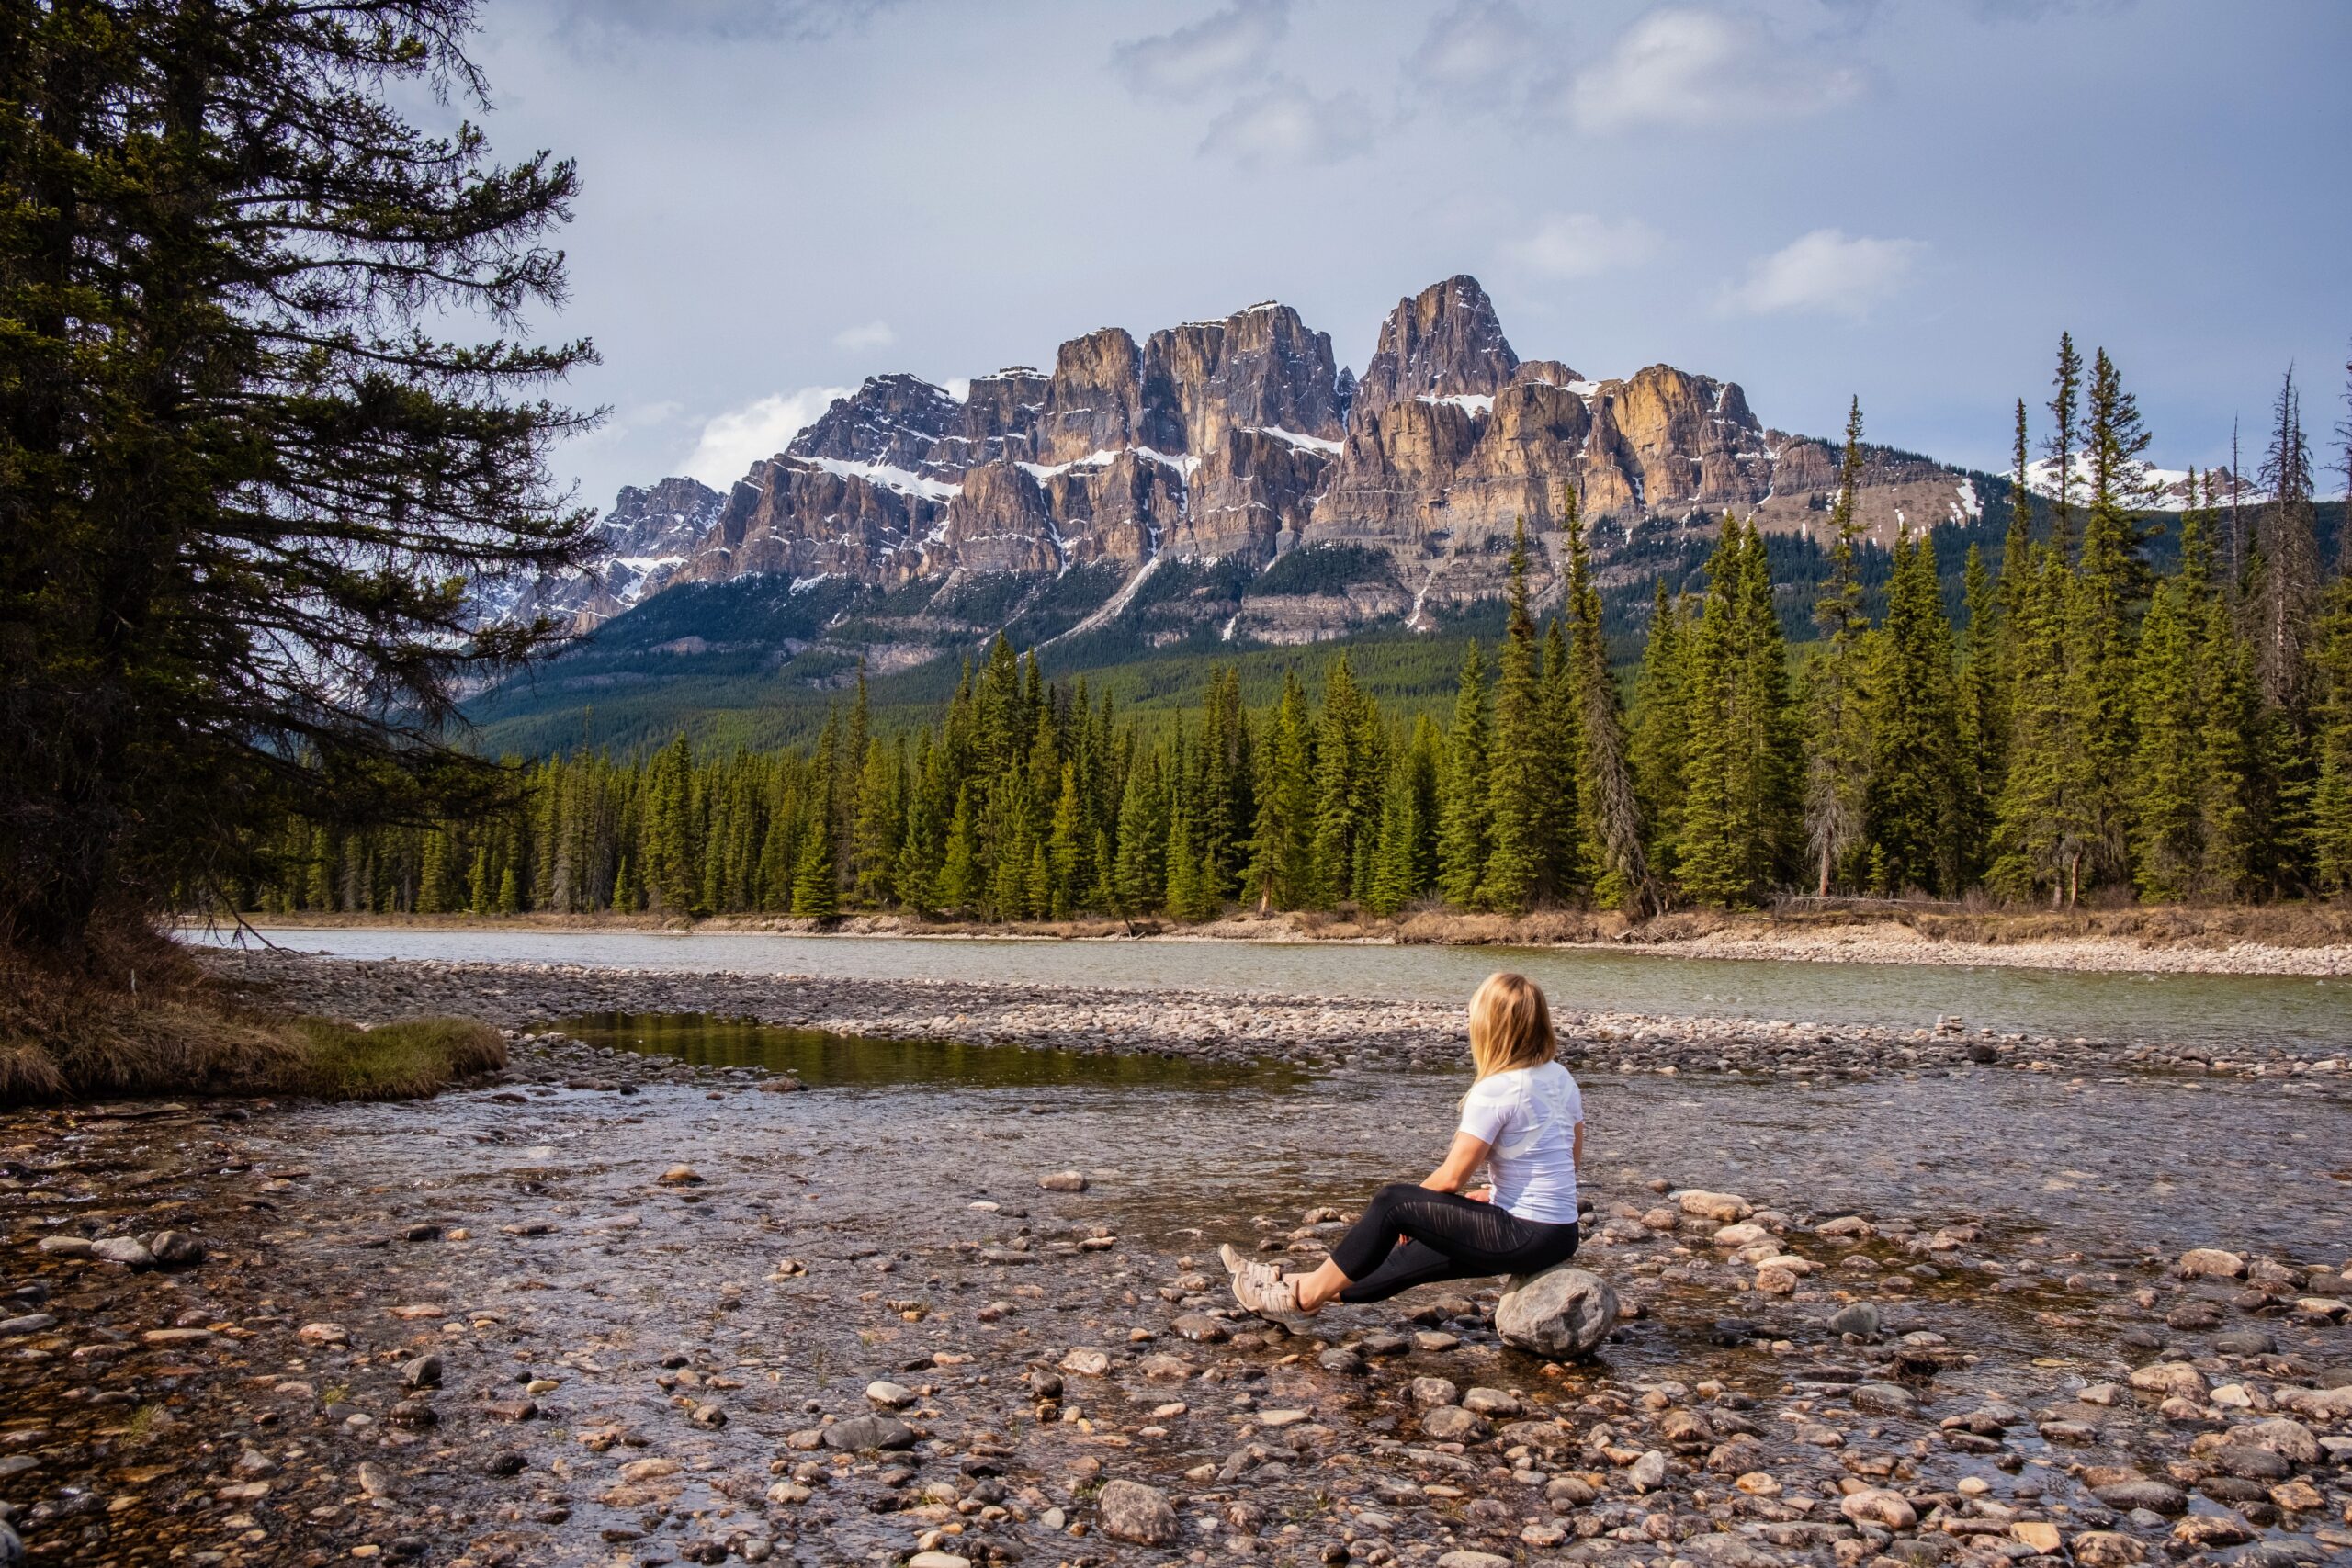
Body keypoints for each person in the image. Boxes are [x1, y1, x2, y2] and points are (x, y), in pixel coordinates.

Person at [1225, 971, 1583, 1318]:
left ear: (1490, 1027)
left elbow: (1450, 1179)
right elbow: (1570, 1160)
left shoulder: (1497, 1089)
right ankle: (1286, 1284)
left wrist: (1406, 1218)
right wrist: (1495, 1192)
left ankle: (1299, 1300)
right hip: (1560, 1234)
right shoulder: (1561, 1077)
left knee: (1393, 1202)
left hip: (1523, 1233)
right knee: (1407, 1261)